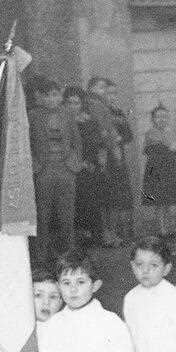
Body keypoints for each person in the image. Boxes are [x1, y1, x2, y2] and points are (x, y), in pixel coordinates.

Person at [28, 79, 83, 261]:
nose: (52, 99)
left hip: (65, 169)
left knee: (66, 214)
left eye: (56, 95)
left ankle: (68, 255)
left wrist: (73, 163)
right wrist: (35, 165)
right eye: (48, 95)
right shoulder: (34, 116)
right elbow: (27, 143)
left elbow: (76, 142)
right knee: (43, 215)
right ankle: (42, 256)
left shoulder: (67, 114)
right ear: (41, 98)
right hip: (44, 169)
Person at [64, 85, 114, 246]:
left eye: (76, 103)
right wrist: (76, 162)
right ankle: (77, 237)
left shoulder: (90, 122)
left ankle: (96, 236)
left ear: (82, 104)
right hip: (70, 167)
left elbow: (96, 143)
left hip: (89, 167)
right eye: (70, 103)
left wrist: (89, 162)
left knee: (91, 202)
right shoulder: (62, 121)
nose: (73, 107)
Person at [86, 77, 133, 240]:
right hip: (101, 155)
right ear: (91, 88)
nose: (104, 91)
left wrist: (115, 140)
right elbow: (100, 130)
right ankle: (106, 233)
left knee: (113, 197)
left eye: (106, 88)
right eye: (100, 88)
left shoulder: (108, 108)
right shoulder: (92, 105)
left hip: (111, 155)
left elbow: (123, 133)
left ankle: (114, 232)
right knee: (104, 197)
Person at [141, 104, 176, 236]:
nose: (162, 119)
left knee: (168, 200)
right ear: (153, 119)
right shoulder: (151, 133)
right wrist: (170, 146)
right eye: (158, 117)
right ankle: (161, 229)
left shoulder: (171, 132)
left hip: (169, 170)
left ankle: (168, 227)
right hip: (156, 171)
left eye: (165, 117)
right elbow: (155, 147)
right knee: (159, 201)